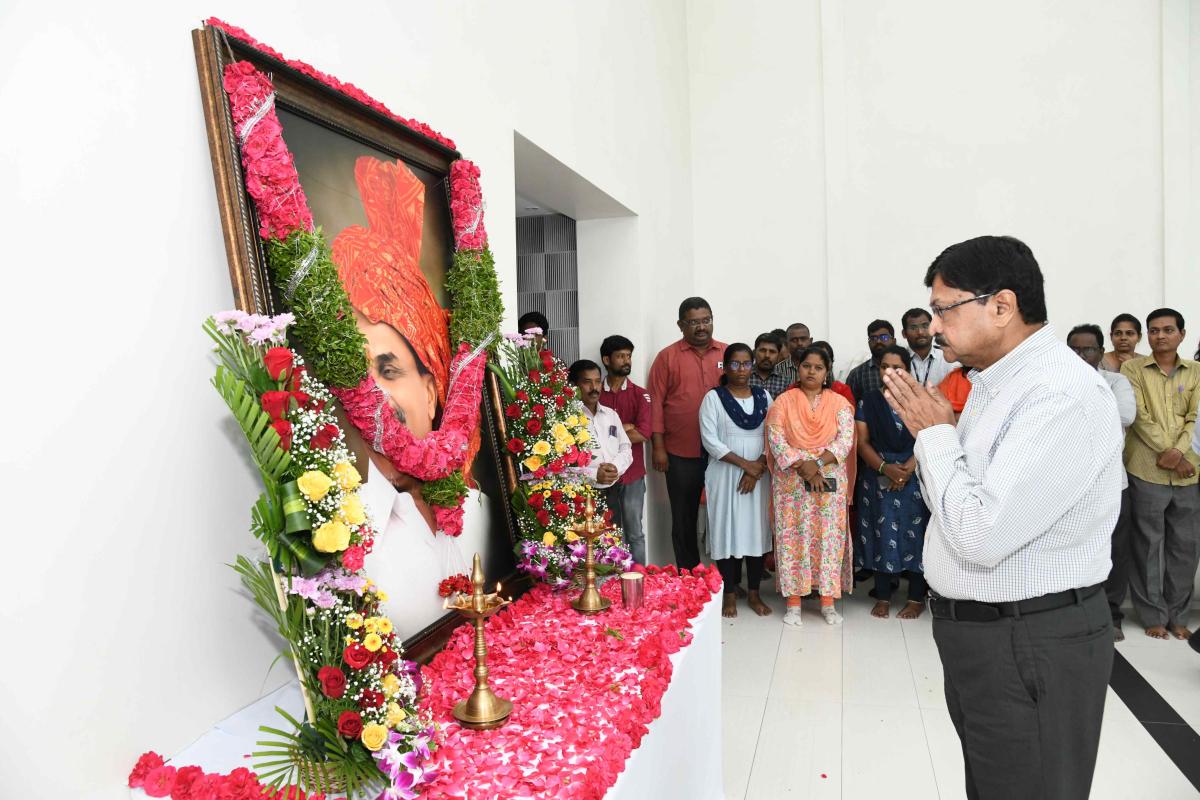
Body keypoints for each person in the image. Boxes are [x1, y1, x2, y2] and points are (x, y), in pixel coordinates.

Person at [883, 235, 1122, 800]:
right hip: (993, 635)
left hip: (1029, 637)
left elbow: (980, 533)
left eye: (944, 309)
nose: (934, 327)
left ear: (1001, 306)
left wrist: (935, 435)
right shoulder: (999, 384)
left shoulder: (1057, 393)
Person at [1120, 308, 1200, 641]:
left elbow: (1195, 417)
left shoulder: (1196, 371)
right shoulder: (1132, 368)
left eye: (1168, 330)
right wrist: (1170, 453)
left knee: (1185, 547)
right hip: (1145, 470)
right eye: (1153, 330)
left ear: (1182, 334)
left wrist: (1178, 454)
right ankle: (1152, 614)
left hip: (1188, 473)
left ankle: (1179, 615)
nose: (1160, 336)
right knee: (1147, 546)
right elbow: (1139, 416)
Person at [766, 346, 855, 626]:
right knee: (793, 538)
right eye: (806, 366)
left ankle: (828, 602)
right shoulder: (783, 401)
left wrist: (815, 464)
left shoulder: (840, 404)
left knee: (828, 539)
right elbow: (776, 438)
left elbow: (845, 441)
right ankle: (793, 603)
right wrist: (802, 465)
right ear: (798, 368)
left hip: (827, 480)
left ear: (827, 372)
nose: (811, 372)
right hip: (792, 483)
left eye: (818, 367)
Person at [1068, 324, 1137, 640]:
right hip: (1068, 485)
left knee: (1115, 550)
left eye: (1088, 349)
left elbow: (1125, 416)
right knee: (1070, 548)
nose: (1081, 356)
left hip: (1111, 483)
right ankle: (1072, 612)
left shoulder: (1116, 381)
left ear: (1101, 351)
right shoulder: (1055, 382)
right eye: (1075, 349)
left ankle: (1111, 614)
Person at [648, 297, 727, 569]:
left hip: (724, 454)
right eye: (694, 322)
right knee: (684, 517)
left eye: (706, 320)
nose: (701, 327)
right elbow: (655, 402)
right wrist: (658, 447)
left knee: (726, 515)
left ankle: (727, 579)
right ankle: (688, 574)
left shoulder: (727, 354)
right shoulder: (667, 357)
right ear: (681, 325)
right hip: (681, 451)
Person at [855, 345, 929, 620]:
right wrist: (886, 469)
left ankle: (915, 599)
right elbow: (861, 443)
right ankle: (883, 595)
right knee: (881, 533)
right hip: (878, 475)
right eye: (884, 366)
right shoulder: (869, 401)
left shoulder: (921, 401)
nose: (890, 372)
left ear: (908, 371)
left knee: (917, 536)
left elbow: (931, 437)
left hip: (916, 474)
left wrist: (907, 469)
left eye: (897, 367)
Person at [700, 343, 773, 618]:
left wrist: (759, 466)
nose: (740, 369)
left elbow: (774, 436)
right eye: (734, 364)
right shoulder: (713, 398)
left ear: (752, 366)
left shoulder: (765, 396)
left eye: (746, 364)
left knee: (756, 533)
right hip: (725, 475)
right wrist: (747, 467)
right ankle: (729, 594)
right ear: (725, 366)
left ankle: (754, 594)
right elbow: (710, 441)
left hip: (759, 476)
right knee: (726, 532)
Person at [599, 335, 652, 564]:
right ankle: (610, 580)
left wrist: (611, 433)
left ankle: (639, 579)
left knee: (634, 533)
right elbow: (589, 435)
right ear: (607, 359)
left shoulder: (640, 394)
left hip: (632, 474)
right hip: (602, 474)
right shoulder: (595, 393)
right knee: (607, 531)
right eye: (621, 356)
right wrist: (625, 428)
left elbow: (643, 433)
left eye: (629, 355)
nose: (626, 360)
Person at [568, 359, 633, 490]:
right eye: (587, 382)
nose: (594, 388)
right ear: (573, 386)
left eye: (597, 381)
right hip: (579, 492)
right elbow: (558, 467)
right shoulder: (566, 419)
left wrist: (614, 468)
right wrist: (593, 474)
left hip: (614, 488)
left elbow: (625, 449)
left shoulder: (611, 415)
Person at [901, 308, 956, 386]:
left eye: (925, 326)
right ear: (904, 334)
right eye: (913, 328)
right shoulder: (899, 358)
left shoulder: (947, 358)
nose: (920, 332)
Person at [845, 320, 896, 402]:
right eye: (873, 338)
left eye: (884, 337)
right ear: (869, 343)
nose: (878, 341)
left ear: (894, 341)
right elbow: (847, 407)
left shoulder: (904, 368)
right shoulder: (857, 374)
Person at [810, 341, 855, 407]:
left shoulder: (842, 391)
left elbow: (848, 414)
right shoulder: (794, 391)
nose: (818, 363)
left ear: (831, 363)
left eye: (825, 359)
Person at [749, 331, 790, 398]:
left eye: (772, 352)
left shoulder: (785, 382)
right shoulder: (744, 377)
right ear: (755, 352)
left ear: (778, 355)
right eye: (763, 350)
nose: (767, 355)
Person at [773, 322, 811, 387]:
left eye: (803, 339)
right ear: (787, 343)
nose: (799, 343)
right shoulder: (777, 369)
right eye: (794, 340)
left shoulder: (822, 368)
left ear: (810, 341)